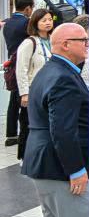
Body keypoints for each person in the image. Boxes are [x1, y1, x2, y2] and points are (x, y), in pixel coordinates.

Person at [22, 23, 89, 217]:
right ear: (64, 44)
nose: (87, 44)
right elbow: (62, 131)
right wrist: (76, 170)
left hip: (43, 165)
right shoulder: (64, 78)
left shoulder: (51, 71)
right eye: (82, 40)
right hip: (61, 169)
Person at [14, 9, 54, 160]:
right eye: (44, 20)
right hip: (33, 90)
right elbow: (21, 69)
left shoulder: (53, 40)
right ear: (35, 23)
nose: (48, 22)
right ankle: (24, 157)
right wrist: (24, 93)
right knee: (28, 124)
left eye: (50, 19)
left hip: (50, 89)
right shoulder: (29, 42)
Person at [3, 0, 34, 147]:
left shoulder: (8, 23)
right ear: (28, 8)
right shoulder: (26, 23)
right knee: (21, 100)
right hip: (23, 66)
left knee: (13, 101)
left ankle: (10, 133)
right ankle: (21, 134)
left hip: (12, 64)